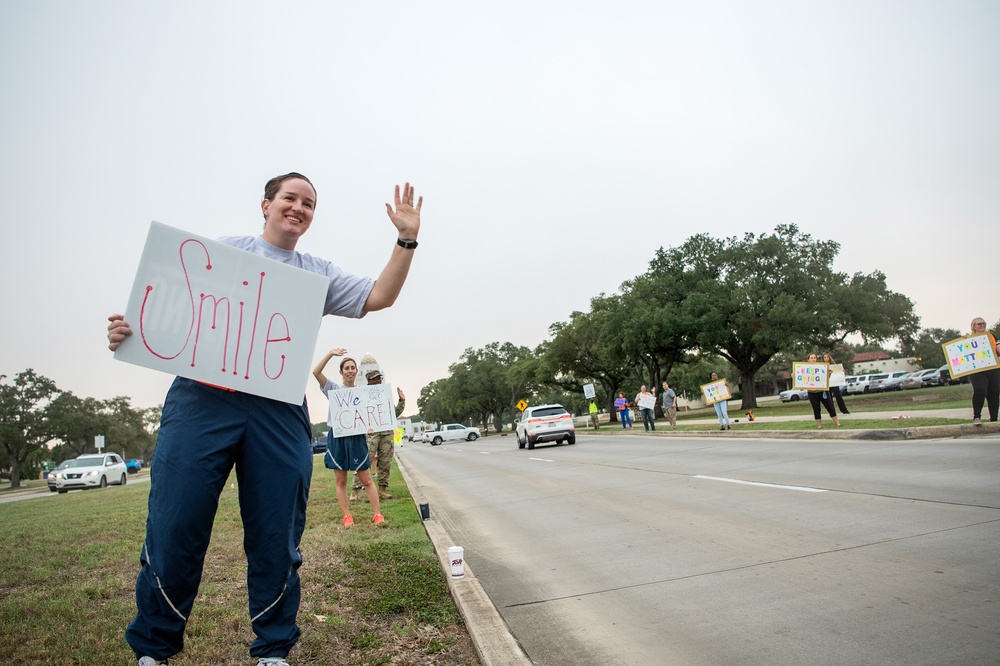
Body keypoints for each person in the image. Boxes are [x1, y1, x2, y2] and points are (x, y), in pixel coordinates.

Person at [106, 173, 422, 666]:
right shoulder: (220, 251)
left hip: (275, 406)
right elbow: (169, 303)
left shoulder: (316, 272)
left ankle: (273, 650)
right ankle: (153, 650)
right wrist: (132, 329)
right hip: (202, 400)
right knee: (175, 526)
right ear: (266, 204)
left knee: (277, 532)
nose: (298, 208)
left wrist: (406, 238)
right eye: (289, 198)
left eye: (309, 203)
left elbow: (380, 294)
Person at [313, 354, 385, 523]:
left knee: (366, 479)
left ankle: (377, 514)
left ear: (356, 371)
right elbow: (316, 372)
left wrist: (369, 426)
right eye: (347, 368)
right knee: (341, 480)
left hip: (357, 437)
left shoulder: (362, 392)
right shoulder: (333, 388)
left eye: (353, 368)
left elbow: (369, 416)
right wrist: (331, 353)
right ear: (341, 372)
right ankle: (347, 516)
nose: (350, 371)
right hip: (337, 437)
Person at [361, 369, 405, 500]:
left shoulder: (385, 396)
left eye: (379, 378)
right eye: (374, 379)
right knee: (364, 461)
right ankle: (356, 490)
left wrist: (401, 401)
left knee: (385, 462)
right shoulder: (363, 396)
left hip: (386, 433)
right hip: (371, 434)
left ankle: (382, 490)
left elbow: (394, 414)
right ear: (368, 381)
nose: (378, 381)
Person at [968, 317, 1000, 425]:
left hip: (992, 368)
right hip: (977, 370)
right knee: (980, 390)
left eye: (983, 323)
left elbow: (998, 349)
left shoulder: (991, 336)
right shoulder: (968, 338)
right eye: (979, 324)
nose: (982, 325)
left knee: (994, 393)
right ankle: (977, 417)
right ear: (973, 327)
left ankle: (994, 420)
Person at [805, 353, 841, 429]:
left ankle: (837, 423)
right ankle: (819, 425)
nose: (813, 359)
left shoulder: (821, 366)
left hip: (823, 391)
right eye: (811, 358)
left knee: (830, 407)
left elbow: (827, 377)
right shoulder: (804, 369)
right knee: (816, 409)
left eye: (814, 357)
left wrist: (830, 373)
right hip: (812, 393)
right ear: (808, 360)